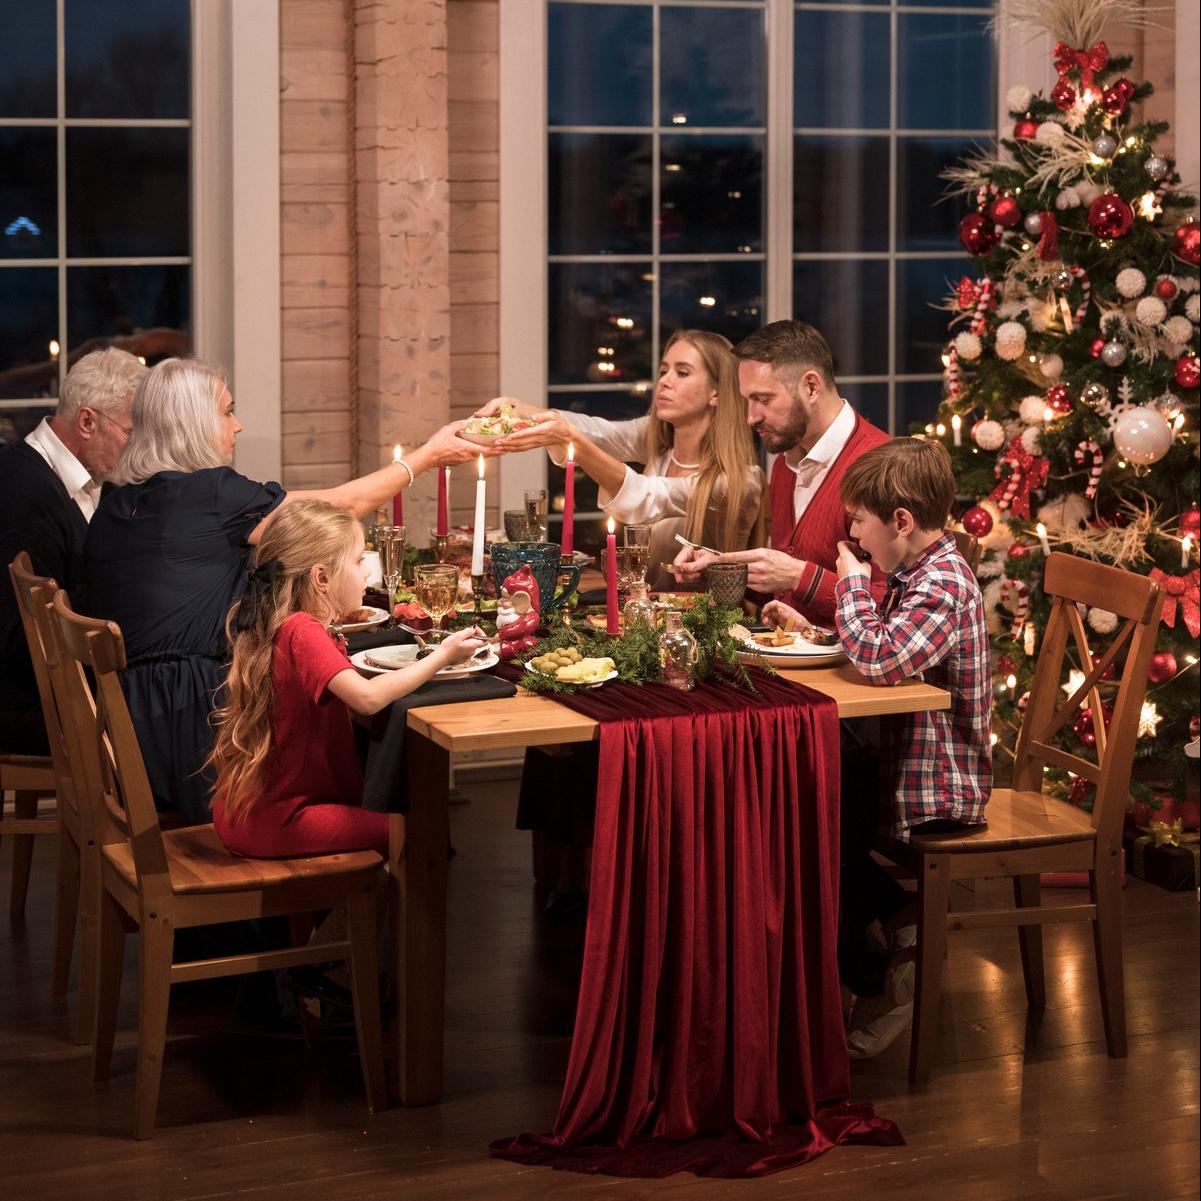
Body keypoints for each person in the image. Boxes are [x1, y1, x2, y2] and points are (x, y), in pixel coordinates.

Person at [82, 357, 488, 824]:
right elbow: (335, 512)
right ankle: (374, 837)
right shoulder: (211, 493)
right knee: (334, 712)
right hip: (194, 726)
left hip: (123, 724)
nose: (237, 424)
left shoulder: (116, 505)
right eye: (227, 411)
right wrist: (429, 456)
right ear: (191, 423)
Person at [766, 437, 991, 1057]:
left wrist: (850, 586)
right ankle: (889, 938)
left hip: (936, 787)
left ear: (901, 521)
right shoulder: (915, 574)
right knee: (796, 809)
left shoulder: (942, 584)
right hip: (902, 766)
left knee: (804, 824)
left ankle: (876, 972)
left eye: (858, 521)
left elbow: (882, 660)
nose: (853, 535)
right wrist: (812, 630)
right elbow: (886, 643)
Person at [208, 500, 486, 858]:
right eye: (357, 561)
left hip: (244, 812)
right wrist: (443, 656)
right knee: (420, 827)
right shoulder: (302, 630)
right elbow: (366, 699)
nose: (366, 572)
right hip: (284, 820)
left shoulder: (281, 621)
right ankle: (393, 896)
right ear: (321, 577)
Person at [477, 330, 764, 590]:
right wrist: (519, 409)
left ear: (716, 392)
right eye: (663, 371)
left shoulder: (737, 481)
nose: (664, 381)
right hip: (642, 611)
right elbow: (598, 432)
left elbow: (645, 496)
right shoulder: (658, 443)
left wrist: (572, 440)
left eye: (682, 372)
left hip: (704, 624)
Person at [672, 320, 889, 627]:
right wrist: (722, 569)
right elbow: (786, 593)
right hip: (791, 649)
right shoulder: (784, 464)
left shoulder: (880, 467)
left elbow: (894, 607)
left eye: (763, 399)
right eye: (747, 400)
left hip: (848, 658)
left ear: (811, 387)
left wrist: (799, 576)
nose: (750, 418)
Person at [0, 348, 146, 753]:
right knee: (171, 711)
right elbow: (23, 642)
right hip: (25, 704)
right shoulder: (26, 492)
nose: (136, 448)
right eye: (130, 433)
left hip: (47, 688)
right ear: (86, 421)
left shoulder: (73, 480)